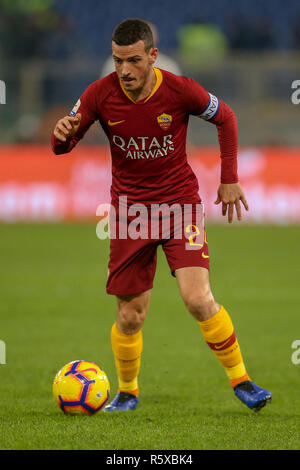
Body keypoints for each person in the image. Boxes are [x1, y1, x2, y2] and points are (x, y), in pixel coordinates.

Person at [51, 18, 272, 412]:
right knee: (130, 314)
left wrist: (230, 179)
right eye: (118, 60)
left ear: (153, 56)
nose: (124, 70)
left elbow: (227, 118)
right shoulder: (99, 95)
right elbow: (63, 144)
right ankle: (127, 392)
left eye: (133, 60)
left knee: (198, 299)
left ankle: (243, 381)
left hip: (179, 206)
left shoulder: (180, 90)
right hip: (129, 213)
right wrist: (61, 134)